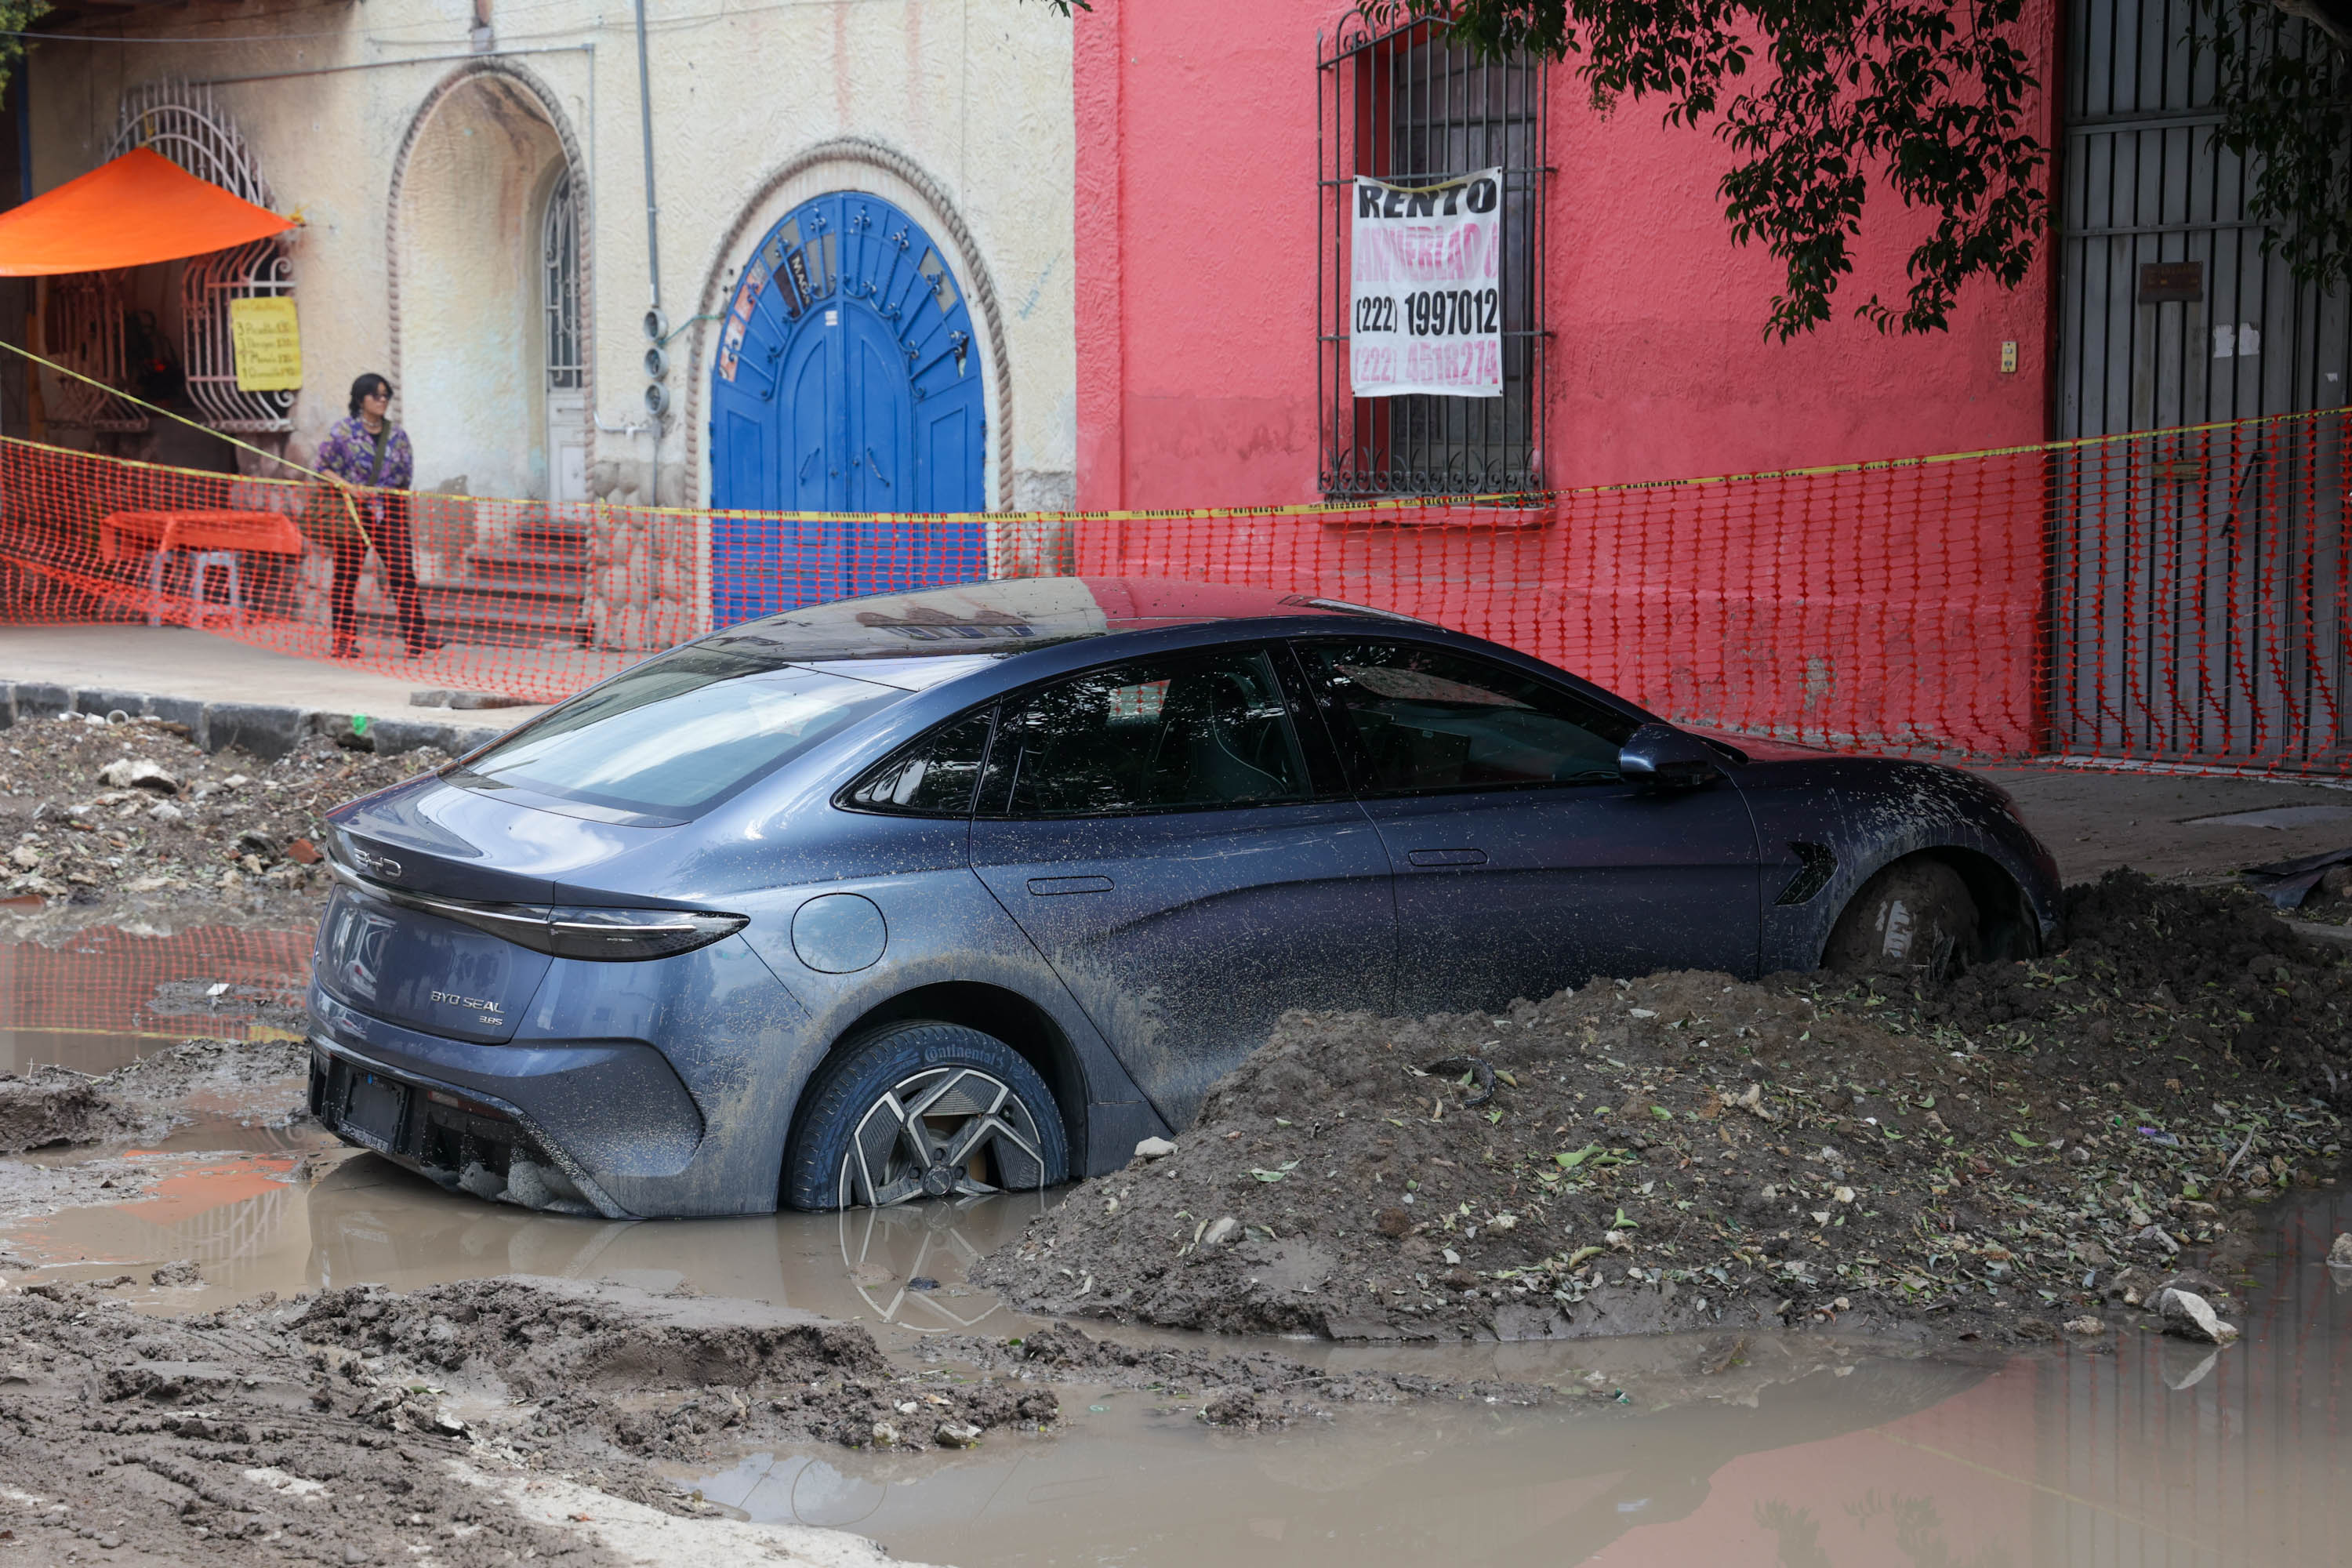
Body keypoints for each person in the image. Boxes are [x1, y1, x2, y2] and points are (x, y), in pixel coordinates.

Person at [314, 372, 441, 659]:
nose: (382, 401)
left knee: (403, 574)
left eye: (386, 396)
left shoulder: (397, 435)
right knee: (346, 576)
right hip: (354, 513)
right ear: (361, 399)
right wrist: (349, 487)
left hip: (390, 512)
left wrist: (396, 505)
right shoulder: (343, 433)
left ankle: (416, 639)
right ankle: (344, 640)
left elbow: (405, 475)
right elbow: (321, 466)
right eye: (376, 395)